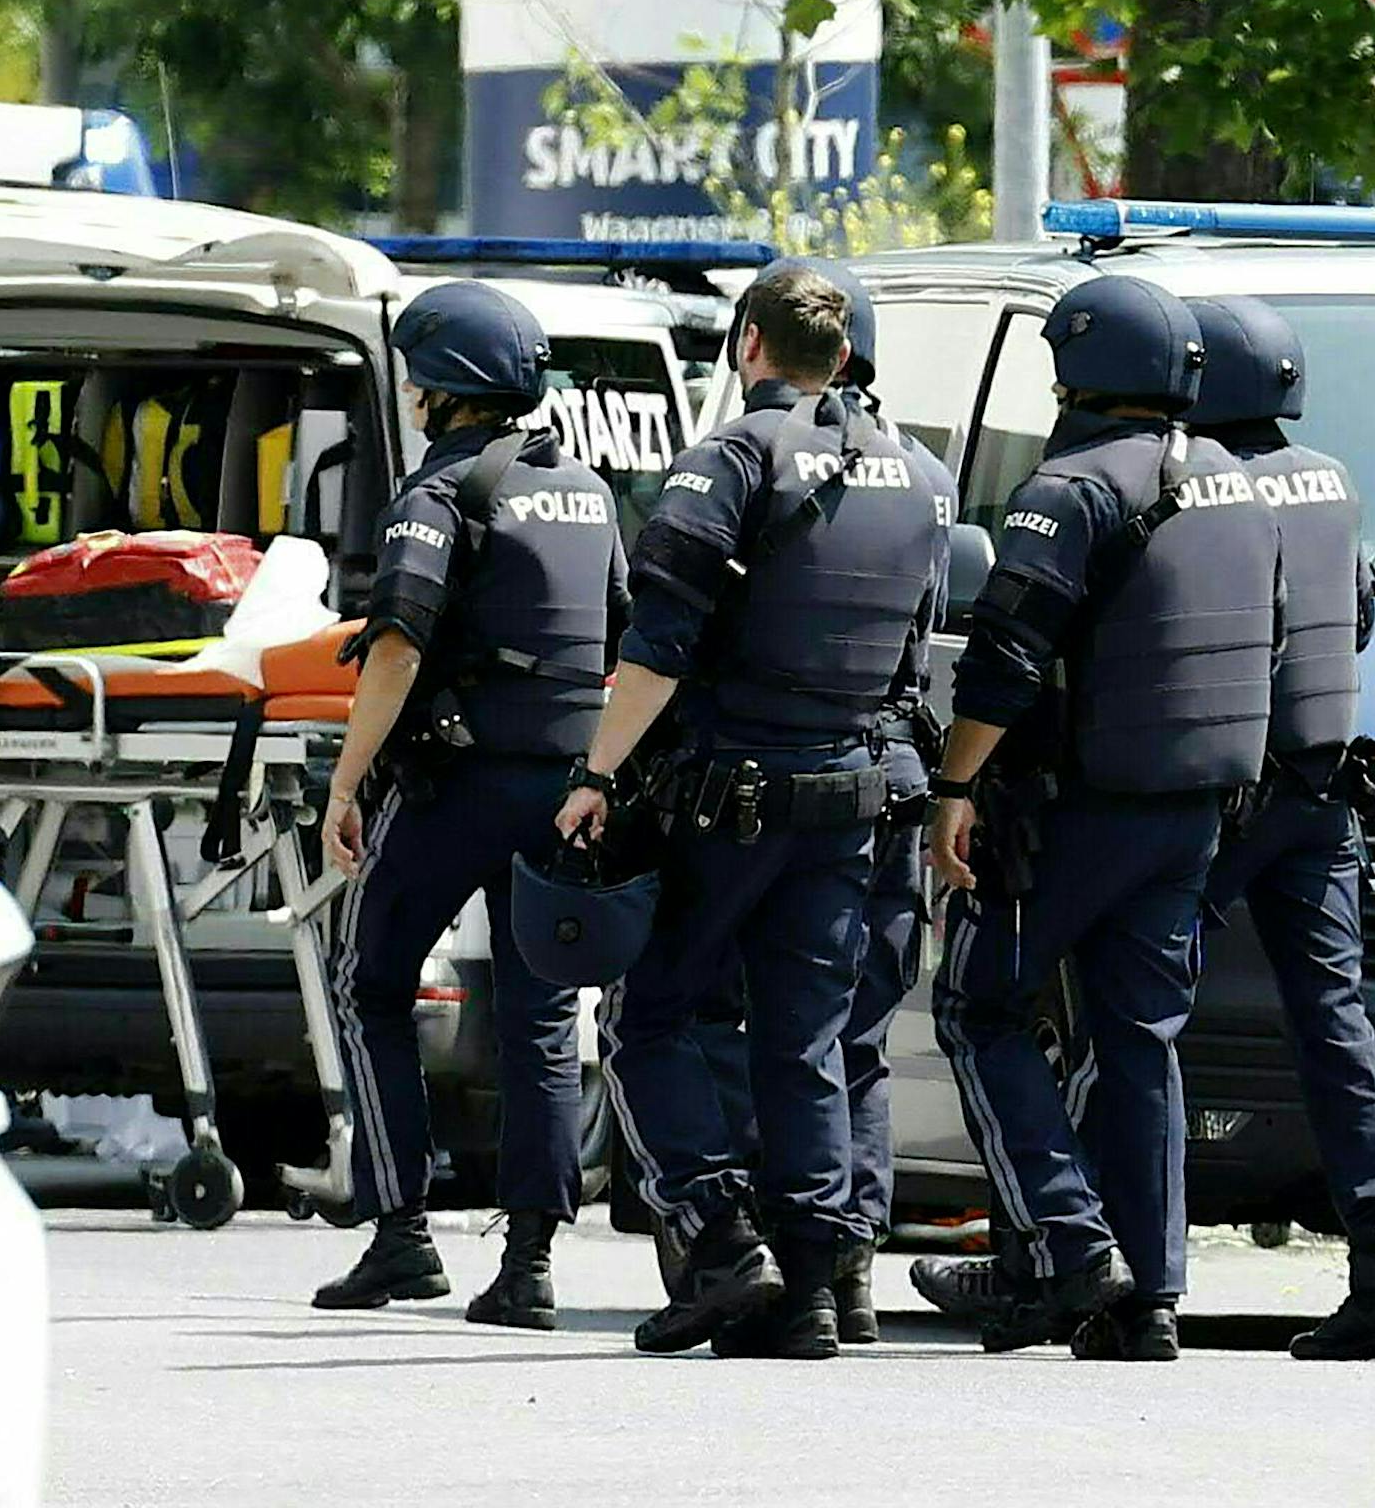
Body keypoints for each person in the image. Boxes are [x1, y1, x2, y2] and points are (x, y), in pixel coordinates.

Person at [555, 261, 943, 1360]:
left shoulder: (731, 455)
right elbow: (915, 644)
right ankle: (815, 1285)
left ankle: (719, 1239)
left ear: (746, 347)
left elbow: (656, 644)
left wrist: (593, 776)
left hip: (730, 794)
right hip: (852, 794)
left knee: (653, 1014)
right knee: (807, 1037)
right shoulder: (918, 471)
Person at [925, 273, 1283, 1361]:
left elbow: (1005, 656)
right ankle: (1150, 1296)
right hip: (1196, 810)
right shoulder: (1237, 482)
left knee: (976, 1005)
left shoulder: (1069, 488)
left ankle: (1070, 1242)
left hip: (1073, 809)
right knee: (1137, 1040)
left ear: (1081, 367)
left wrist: (951, 789)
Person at [313, 280, 627, 1328]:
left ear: (440, 388)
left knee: (368, 979)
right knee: (538, 1015)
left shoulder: (438, 492)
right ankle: (529, 1261)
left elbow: (397, 642)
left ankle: (400, 1231)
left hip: (461, 782)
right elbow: (622, 633)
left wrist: (347, 782)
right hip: (567, 786)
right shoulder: (585, 489)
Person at [686, 259, 959, 1345]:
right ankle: (845, 1266)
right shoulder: (926, 477)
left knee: (755, 1023)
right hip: (887, 779)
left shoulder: (750, 461)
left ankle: (774, 1249)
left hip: (777, 774)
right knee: (851, 1030)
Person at [1174, 295, 1375, 1359]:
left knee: (1117, 999)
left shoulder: (1207, 485)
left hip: (1223, 794)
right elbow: (1354, 616)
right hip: (1325, 796)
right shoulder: (1332, 480)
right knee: (1333, 1025)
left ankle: (1076, 1255)